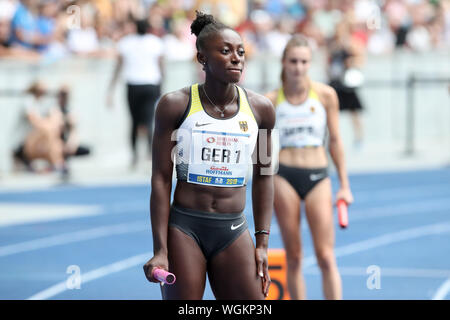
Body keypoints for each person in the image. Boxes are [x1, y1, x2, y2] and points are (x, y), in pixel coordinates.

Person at [142, 11, 275, 300]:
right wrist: (160, 250)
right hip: (185, 228)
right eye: (225, 51)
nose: (236, 58)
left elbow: (265, 177)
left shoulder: (261, 110)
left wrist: (262, 243)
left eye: (241, 52)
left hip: (233, 228)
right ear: (202, 58)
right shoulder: (175, 106)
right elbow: (161, 180)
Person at [265, 35, 354, 300]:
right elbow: (262, 151)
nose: (298, 67)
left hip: (318, 175)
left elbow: (335, 140)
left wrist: (345, 185)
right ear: (283, 62)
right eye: (293, 61)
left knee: (326, 256)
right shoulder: (270, 100)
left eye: (304, 61)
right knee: (293, 256)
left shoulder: (326, 95)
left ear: (310, 63)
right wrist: (262, 187)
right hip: (284, 176)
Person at [107, 18, 164, 168]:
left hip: (134, 85)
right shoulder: (155, 42)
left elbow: (118, 66)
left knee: (134, 121)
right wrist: (162, 84)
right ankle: (149, 154)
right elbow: (160, 65)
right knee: (148, 120)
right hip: (151, 83)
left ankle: (135, 154)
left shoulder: (126, 43)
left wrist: (111, 88)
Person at [13, 81, 67, 177]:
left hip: (44, 143)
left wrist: (51, 126)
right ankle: (58, 163)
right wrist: (50, 127)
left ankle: (56, 163)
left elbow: (57, 119)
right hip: (25, 143)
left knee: (53, 137)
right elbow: (36, 122)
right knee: (49, 132)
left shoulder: (47, 102)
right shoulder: (27, 101)